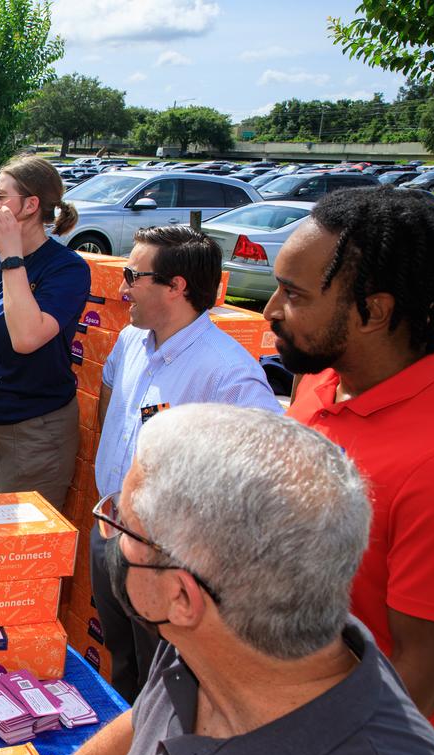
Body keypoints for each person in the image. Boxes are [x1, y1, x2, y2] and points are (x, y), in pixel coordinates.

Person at [0, 404, 434, 755]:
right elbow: (149, 726)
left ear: (183, 595)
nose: (108, 539)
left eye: (122, 526)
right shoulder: (210, 641)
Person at [269, 186, 434, 727]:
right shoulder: (321, 381)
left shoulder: (433, 462)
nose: (272, 311)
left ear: (373, 311)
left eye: (293, 295)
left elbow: (422, 670)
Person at [90, 225, 280, 701]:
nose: (122, 287)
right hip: (111, 528)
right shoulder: (132, 341)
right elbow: (109, 402)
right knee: (124, 665)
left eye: (134, 275)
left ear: (176, 287)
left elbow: (260, 478)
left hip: (167, 556)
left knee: (166, 685)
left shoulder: (230, 374)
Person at [0, 155, 87, 507]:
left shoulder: (67, 269)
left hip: (35, 431)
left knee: (23, 547)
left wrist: (12, 257)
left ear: (31, 206)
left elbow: (27, 338)